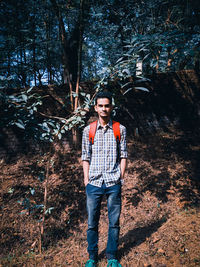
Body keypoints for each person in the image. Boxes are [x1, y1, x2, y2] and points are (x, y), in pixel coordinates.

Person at [82, 91, 128, 267]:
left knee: (114, 222)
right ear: (96, 108)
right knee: (92, 223)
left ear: (111, 107)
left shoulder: (120, 129)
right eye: (100, 105)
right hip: (93, 183)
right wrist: (86, 179)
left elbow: (123, 155)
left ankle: (112, 257)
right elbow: (85, 156)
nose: (104, 109)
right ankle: (92, 257)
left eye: (107, 105)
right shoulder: (88, 130)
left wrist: (120, 177)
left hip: (113, 182)